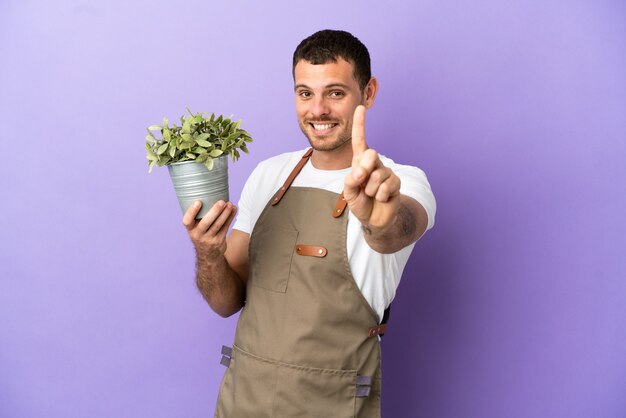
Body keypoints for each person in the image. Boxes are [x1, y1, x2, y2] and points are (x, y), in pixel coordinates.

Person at [182, 29, 436, 418]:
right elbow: (225, 303)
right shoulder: (269, 174)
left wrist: (377, 219)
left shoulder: (400, 181)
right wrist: (208, 253)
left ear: (368, 94)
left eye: (335, 93)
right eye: (305, 93)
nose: (317, 109)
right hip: (243, 400)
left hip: (331, 405)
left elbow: (397, 229)